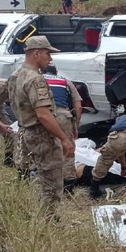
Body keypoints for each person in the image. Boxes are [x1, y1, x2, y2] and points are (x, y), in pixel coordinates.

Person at [7, 35, 74, 215]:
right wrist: (64, 138)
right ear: (36, 53)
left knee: (42, 177)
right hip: (40, 133)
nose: (50, 59)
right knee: (51, 183)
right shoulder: (35, 79)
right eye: (47, 54)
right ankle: (48, 221)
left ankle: (45, 217)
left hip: (25, 130)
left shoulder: (15, 76)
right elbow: (44, 115)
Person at [42, 63, 82, 193]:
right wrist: (76, 124)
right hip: (62, 116)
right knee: (67, 149)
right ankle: (68, 186)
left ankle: (44, 182)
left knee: (43, 147)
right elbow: (78, 106)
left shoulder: (37, 79)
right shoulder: (65, 81)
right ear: (56, 72)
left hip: (42, 115)